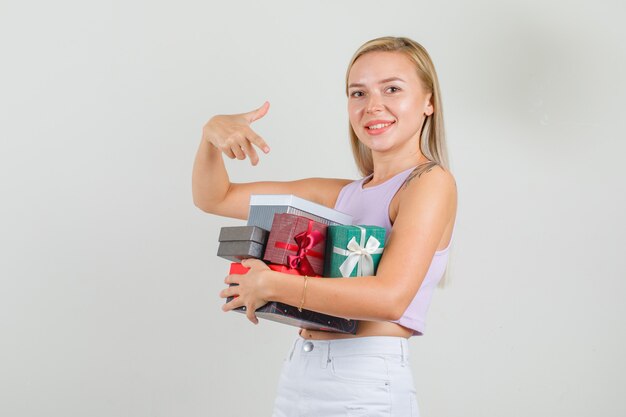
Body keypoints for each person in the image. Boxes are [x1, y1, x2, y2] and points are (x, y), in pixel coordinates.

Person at [192, 36, 457, 417]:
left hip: (365, 380)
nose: (372, 106)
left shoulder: (430, 182)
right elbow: (214, 197)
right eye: (358, 93)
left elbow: (390, 298)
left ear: (428, 102)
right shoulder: (339, 195)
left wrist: (272, 284)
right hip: (302, 372)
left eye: (392, 89)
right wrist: (210, 135)